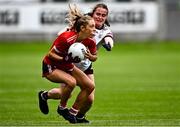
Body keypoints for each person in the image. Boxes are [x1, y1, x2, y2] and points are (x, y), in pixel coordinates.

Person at [38, 3, 114, 123]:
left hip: (78, 66)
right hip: (59, 65)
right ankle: (50, 100)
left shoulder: (95, 36)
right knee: (66, 91)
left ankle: (76, 114)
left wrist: (104, 48)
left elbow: (105, 44)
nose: (100, 17)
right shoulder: (73, 33)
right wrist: (67, 51)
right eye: (98, 14)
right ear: (92, 15)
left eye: (103, 15)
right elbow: (52, 51)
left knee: (89, 92)